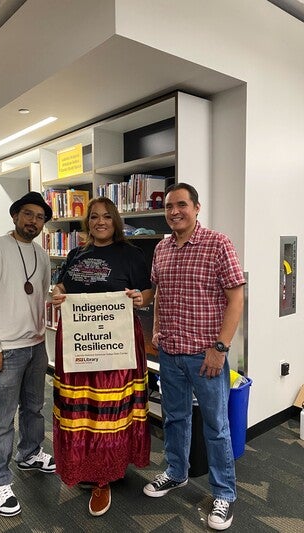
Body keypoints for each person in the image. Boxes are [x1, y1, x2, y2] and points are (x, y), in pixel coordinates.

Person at [143, 183, 245, 531]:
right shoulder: (161, 249)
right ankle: (176, 473)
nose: (174, 212)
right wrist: (156, 331)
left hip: (206, 358)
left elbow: (236, 300)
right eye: (169, 206)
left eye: (181, 205)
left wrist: (220, 349)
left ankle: (224, 493)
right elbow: (158, 294)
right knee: (174, 419)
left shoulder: (219, 244)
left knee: (216, 427)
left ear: (196, 208)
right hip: (170, 355)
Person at [51, 197, 154, 517]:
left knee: (109, 409)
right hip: (80, 343)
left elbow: (147, 291)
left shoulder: (132, 254)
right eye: (94, 217)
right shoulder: (75, 253)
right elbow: (61, 287)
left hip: (117, 342)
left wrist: (140, 298)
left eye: (107, 217)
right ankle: (83, 463)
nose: (100, 222)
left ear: (116, 221)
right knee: (82, 407)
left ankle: (104, 475)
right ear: (87, 223)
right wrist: (57, 295)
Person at [0, 191, 56, 518]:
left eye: (40, 217)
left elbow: (43, 295)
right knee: (2, 416)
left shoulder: (42, 254)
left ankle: (29, 453)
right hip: (5, 348)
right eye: (28, 214)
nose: (33, 221)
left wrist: (59, 297)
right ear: (16, 215)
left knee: (34, 408)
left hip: (36, 345)